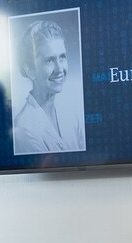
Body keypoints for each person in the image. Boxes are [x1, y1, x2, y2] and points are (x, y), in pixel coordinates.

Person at [12, 19, 86, 155]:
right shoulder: (24, 128)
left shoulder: (71, 114)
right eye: (50, 60)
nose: (59, 69)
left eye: (62, 57)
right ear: (30, 70)